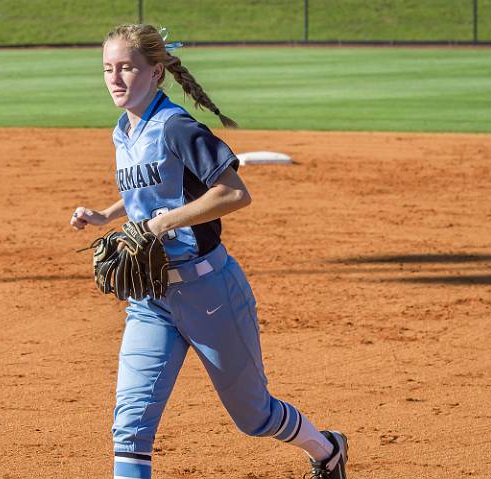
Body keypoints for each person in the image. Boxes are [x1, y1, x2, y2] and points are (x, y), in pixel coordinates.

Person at [70, 24, 348, 479]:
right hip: (152, 297)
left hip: (210, 294)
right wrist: (105, 215)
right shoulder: (124, 130)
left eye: (126, 68)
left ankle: (327, 449)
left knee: (253, 416)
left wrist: (162, 223)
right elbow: (156, 185)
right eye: (108, 69)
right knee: (130, 428)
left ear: (156, 72)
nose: (115, 79)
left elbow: (234, 194)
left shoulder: (177, 126)